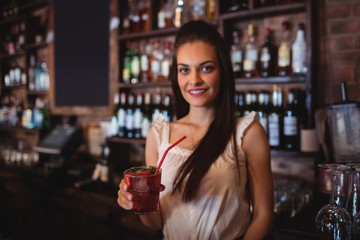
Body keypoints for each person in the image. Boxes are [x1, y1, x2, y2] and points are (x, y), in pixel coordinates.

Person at [117, 20, 274, 240]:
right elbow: (155, 223)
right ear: (176, 76)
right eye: (184, 70)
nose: (194, 80)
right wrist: (137, 201)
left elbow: (264, 216)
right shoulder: (159, 135)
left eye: (206, 68)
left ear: (222, 71)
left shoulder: (247, 133)